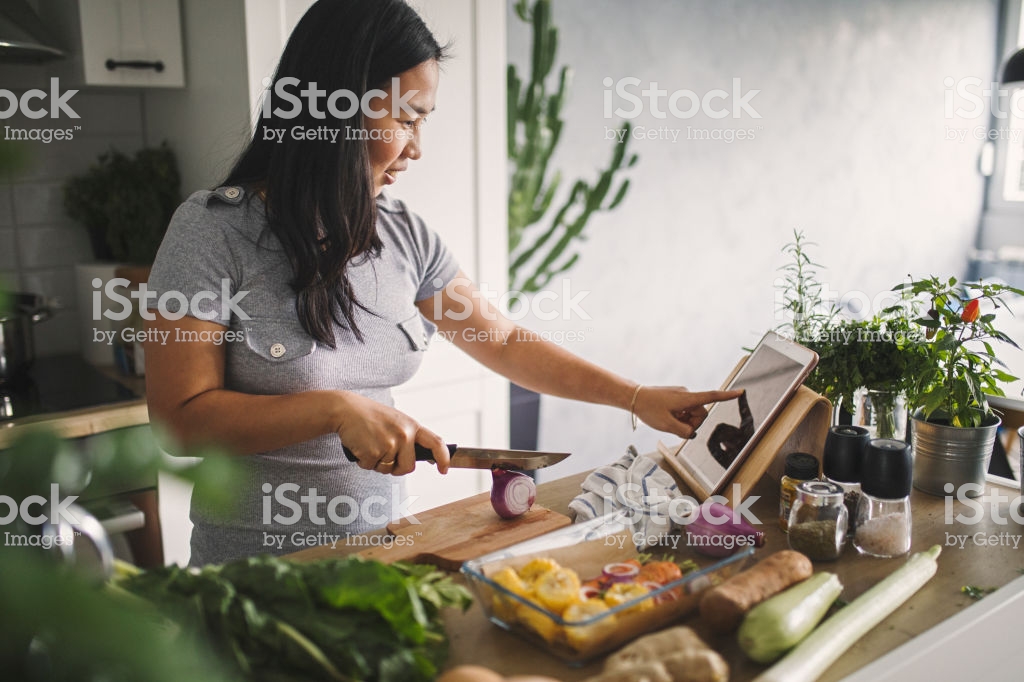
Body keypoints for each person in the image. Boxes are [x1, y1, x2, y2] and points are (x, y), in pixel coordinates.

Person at [144, 0, 741, 565]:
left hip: (385, 554)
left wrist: (636, 398)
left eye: (422, 121)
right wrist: (331, 409)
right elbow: (179, 420)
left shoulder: (406, 236)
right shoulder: (211, 231)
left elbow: (503, 342)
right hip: (256, 573)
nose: (417, 148)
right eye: (406, 119)